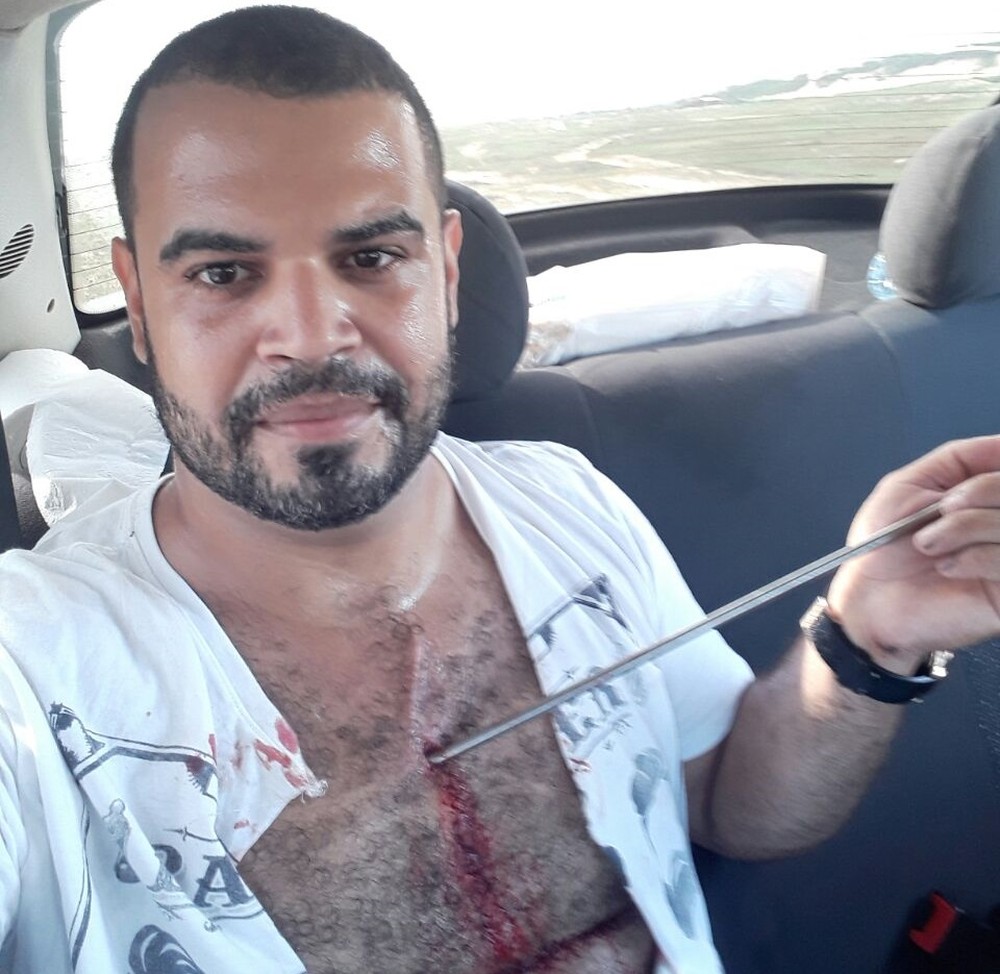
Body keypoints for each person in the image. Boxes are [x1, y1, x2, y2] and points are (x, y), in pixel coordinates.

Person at [1, 7, 999, 973]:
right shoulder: (37, 661)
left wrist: (867, 642)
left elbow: (726, 803)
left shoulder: (567, 502)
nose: (308, 335)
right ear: (139, 303)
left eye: (371, 257)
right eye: (223, 273)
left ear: (444, 271)